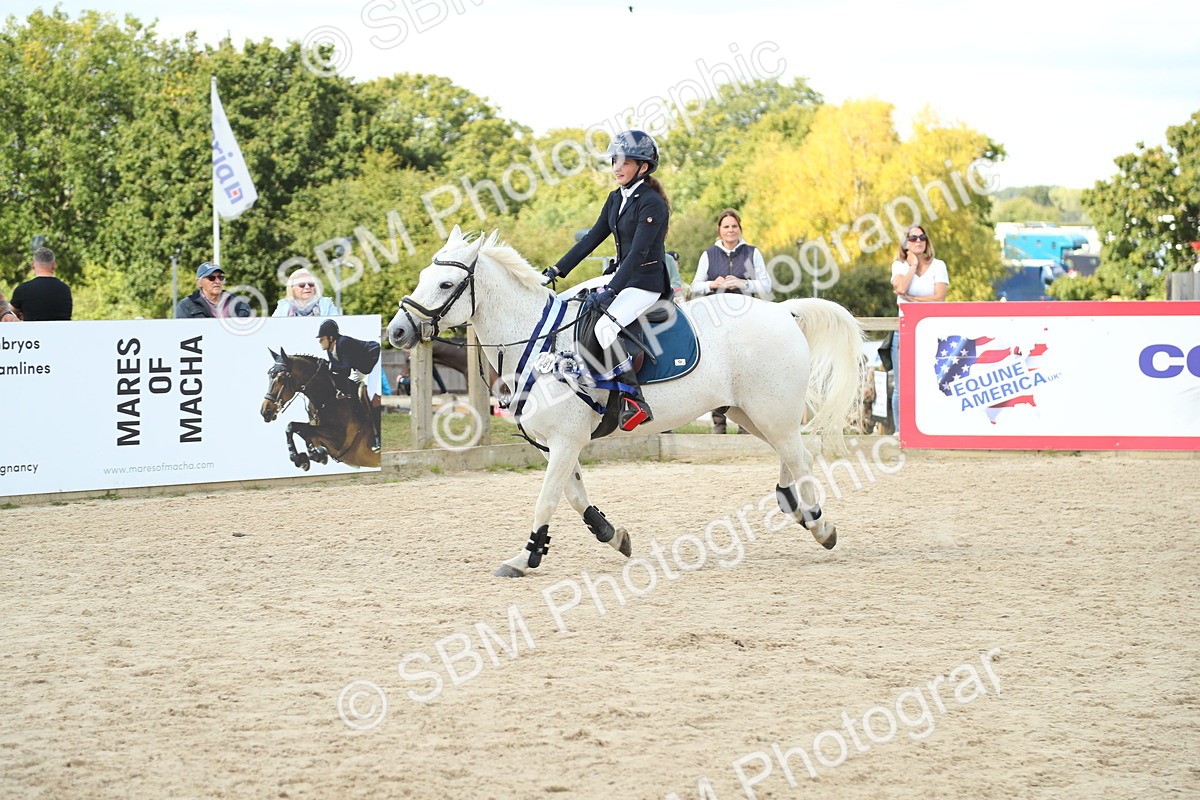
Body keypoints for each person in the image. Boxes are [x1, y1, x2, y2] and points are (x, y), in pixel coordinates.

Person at [541, 129, 670, 431]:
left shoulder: (652, 203)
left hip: (645, 282)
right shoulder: (615, 199)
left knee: (605, 326)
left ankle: (634, 399)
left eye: (625, 162)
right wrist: (556, 270)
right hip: (621, 276)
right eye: (614, 161)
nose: (617, 168)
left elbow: (638, 253)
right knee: (563, 303)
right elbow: (591, 239)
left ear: (643, 167)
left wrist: (611, 289)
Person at [691, 209, 773, 433]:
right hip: (716, 319)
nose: (730, 230)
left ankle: (745, 425)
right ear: (719, 230)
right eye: (726, 226)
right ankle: (719, 424)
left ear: (740, 228)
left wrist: (742, 283)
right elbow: (695, 286)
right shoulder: (709, 254)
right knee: (717, 370)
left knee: (745, 370)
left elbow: (766, 286)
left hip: (745, 318)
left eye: (734, 226)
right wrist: (712, 284)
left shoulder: (752, 252)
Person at [889, 225, 949, 434]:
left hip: (931, 331)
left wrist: (911, 300)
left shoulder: (938, 265)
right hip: (904, 331)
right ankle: (901, 431)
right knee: (901, 385)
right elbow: (900, 288)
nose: (918, 241)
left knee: (930, 382)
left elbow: (939, 298)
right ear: (905, 243)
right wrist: (913, 266)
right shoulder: (899, 266)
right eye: (913, 238)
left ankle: (930, 430)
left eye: (922, 237)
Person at [317, 318, 382, 453]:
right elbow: (341, 373)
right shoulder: (330, 350)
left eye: (322, 339)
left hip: (373, 360)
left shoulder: (343, 343)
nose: (320, 342)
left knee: (371, 396)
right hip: (360, 368)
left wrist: (330, 366)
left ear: (331, 338)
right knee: (352, 394)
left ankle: (379, 438)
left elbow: (345, 369)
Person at [10, 247, 72, 321]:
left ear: (32, 264)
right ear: (54, 265)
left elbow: (8, 313)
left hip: (32, 329)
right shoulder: (65, 289)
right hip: (61, 329)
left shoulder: (23, 289)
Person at [175, 262, 251, 318]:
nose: (217, 281)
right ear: (199, 282)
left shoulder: (239, 304)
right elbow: (183, 332)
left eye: (220, 278)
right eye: (211, 278)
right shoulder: (186, 305)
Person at [272, 268, 340, 317]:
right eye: (302, 285)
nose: (307, 287)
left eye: (310, 284)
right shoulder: (283, 306)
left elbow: (336, 327)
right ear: (292, 288)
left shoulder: (326, 304)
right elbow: (274, 327)